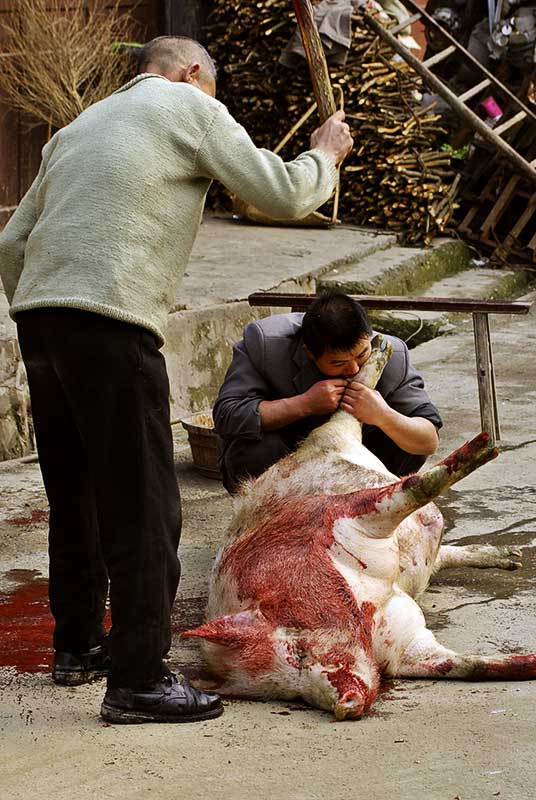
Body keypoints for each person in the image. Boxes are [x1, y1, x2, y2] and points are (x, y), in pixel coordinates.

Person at [0, 36, 353, 724]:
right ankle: (137, 680)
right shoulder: (188, 104)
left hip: (40, 321)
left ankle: (77, 646)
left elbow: (11, 243)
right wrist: (326, 154)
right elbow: (281, 193)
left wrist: (43, 305)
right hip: (110, 322)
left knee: (77, 495)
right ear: (193, 72)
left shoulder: (78, 127)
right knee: (144, 507)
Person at [214, 291, 442, 492]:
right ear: (310, 353)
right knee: (255, 449)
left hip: (356, 465)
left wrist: (383, 416)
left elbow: (428, 440)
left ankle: (365, 507)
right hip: (287, 461)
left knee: (405, 439)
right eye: (338, 363)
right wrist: (304, 404)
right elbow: (227, 415)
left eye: (361, 355)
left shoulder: (392, 355)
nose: (353, 369)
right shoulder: (265, 345)